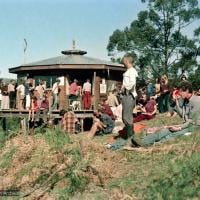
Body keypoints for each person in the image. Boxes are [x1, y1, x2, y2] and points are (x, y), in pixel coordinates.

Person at [131, 81, 200, 147]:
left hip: (195, 127)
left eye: (180, 91)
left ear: (187, 90)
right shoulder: (186, 101)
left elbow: (192, 121)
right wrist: (176, 101)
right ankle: (144, 141)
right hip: (187, 124)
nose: (179, 93)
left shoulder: (196, 101)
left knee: (172, 135)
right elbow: (183, 115)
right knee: (165, 130)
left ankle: (154, 145)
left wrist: (179, 128)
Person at [121, 54, 138, 138]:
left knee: (127, 117)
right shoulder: (128, 71)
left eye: (124, 62)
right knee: (124, 117)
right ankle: (130, 135)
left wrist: (125, 87)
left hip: (129, 95)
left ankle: (131, 137)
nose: (123, 63)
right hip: (126, 95)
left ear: (127, 61)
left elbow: (132, 83)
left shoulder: (132, 71)